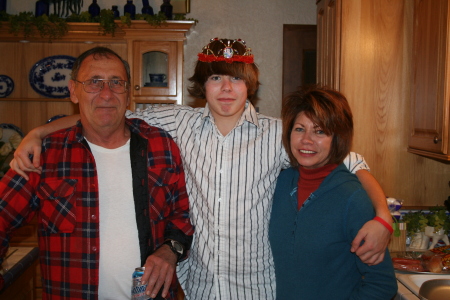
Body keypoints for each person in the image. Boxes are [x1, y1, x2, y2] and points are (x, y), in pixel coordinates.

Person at [11, 38, 392, 299]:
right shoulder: (178, 124)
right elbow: (106, 111)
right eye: (215, 77)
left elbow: (352, 162)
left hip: (259, 289)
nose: (226, 88)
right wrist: (38, 132)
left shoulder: (281, 133)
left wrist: (382, 216)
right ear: (202, 86)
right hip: (198, 287)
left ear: (250, 86)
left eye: (237, 78)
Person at [0, 47, 194, 300]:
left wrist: (170, 249)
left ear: (127, 93)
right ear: (73, 91)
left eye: (116, 82)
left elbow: (182, 215)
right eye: (94, 82)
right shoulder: (45, 155)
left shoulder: (161, 145)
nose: (106, 93)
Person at [269, 86, 397, 299]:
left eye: (320, 131)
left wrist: (384, 216)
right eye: (300, 129)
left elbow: (382, 284)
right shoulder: (280, 182)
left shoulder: (351, 198)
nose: (307, 140)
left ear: (337, 138)